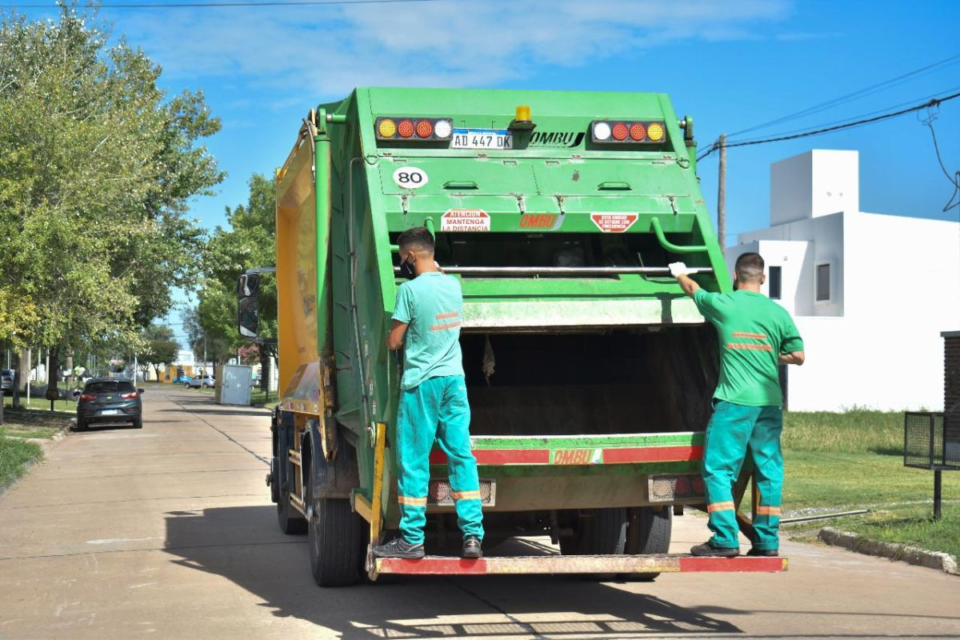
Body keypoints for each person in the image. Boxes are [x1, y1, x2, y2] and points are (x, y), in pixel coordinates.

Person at [670, 253, 805, 558]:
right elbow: (798, 356)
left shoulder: (725, 304)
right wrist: (767, 353)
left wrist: (679, 273)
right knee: (769, 471)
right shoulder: (777, 313)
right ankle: (767, 542)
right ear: (764, 278)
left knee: (718, 469)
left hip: (734, 404)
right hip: (769, 405)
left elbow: (693, 290)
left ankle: (725, 538)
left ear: (735, 275)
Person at [372, 227, 484, 560]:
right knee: (461, 456)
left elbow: (393, 341)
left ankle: (411, 539)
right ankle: (473, 537)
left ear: (410, 256)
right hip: (455, 381)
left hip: (422, 384)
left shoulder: (409, 290)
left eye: (402, 257)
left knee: (414, 460)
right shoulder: (453, 285)